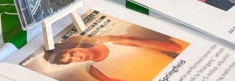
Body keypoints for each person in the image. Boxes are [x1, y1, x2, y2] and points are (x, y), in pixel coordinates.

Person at [41, 31, 187, 81]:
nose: (77, 58)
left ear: (76, 46)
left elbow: (174, 47)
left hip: (183, 72)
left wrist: (129, 40)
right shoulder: (94, 71)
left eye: (72, 53)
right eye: (71, 60)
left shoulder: (117, 41)